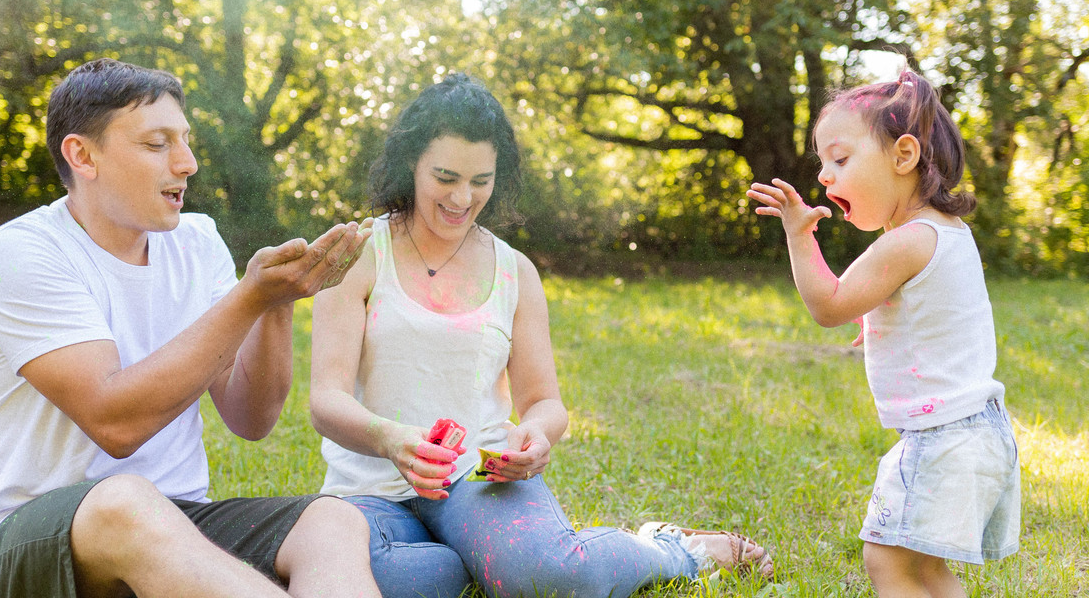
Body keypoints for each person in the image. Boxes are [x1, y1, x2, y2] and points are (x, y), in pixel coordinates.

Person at [309, 73, 774, 598]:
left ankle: (670, 549)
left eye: (480, 180)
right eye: (446, 176)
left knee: (555, 578)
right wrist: (393, 441)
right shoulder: (358, 253)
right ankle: (491, 561)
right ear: (410, 163)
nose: (463, 197)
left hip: (476, 479)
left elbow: (544, 401)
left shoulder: (514, 271)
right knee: (371, 579)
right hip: (370, 494)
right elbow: (326, 400)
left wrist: (536, 435)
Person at [0, 58, 382, 598]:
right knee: (123, 500)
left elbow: (251, 417)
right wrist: (248, 296)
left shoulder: (196, 241)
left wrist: (274, 305)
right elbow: (116, 424)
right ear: (82, 155)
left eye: (185, 141)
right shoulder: (22, 253)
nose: (188, 163)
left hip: (178, 522)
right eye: (158, 144)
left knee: (332, 522)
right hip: (30, 544)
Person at [746, 70, 1020, 597]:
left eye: (841, 160)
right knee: (926, 570)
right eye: (822, 164)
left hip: (942, 436)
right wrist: (881, 324)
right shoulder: (948, 234)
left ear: (904, 155)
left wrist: (800, 237)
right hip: (981, 430)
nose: (825, 177)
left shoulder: (905, 242)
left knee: (887, 561)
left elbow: (828, 306)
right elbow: (940, 315)